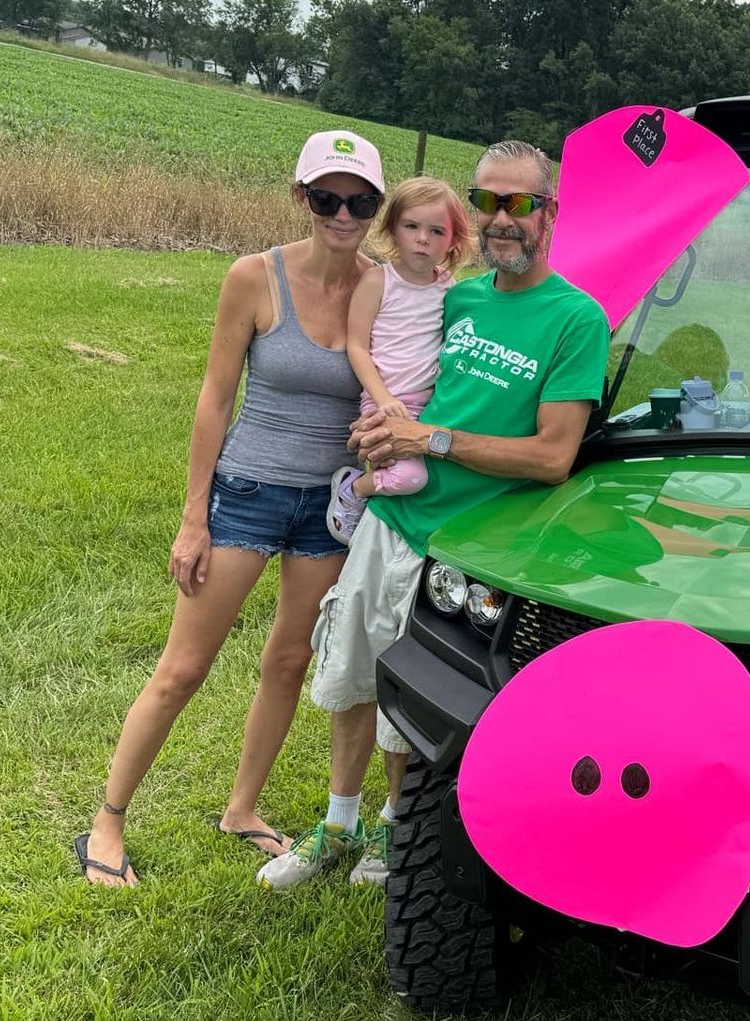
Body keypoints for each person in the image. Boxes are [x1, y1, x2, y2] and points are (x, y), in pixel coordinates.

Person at [257, 140, 611, 890]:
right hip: (392, 515)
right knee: (349, 668)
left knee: (407, 696)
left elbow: (553, 455)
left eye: (521, 203)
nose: (503, 219)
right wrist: (382, 429)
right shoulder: (461, 296)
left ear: (551, 212)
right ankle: (337, 823)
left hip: (464, 545)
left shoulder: (576, 319)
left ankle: (395, 829)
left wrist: (432, 439)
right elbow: (392, 346)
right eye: (487, 201)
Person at [74, 130, 387, 886]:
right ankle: (105, 823)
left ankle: (242, 807)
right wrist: (194, 515)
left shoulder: (382, 286)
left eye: (361, 201)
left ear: (377, 208)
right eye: (326, 198)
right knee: (184, 667)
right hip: (246, 492)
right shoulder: (255, 277)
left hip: (329, 509)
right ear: (300, 197)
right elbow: (215, 399)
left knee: (288, 658)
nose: (343, 215)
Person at [325, 175, 478, 543]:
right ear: (394, 228)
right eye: (411, 227)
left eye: (437, 231)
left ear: (453, 240)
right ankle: (354, 490)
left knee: (424, 474)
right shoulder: (379, 281)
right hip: (385, 402)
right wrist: (383, 399)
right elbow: (357, 346)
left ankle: (377, 515)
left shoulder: (448, 288)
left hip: (431, 407)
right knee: (411, 478)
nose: (423, 239)